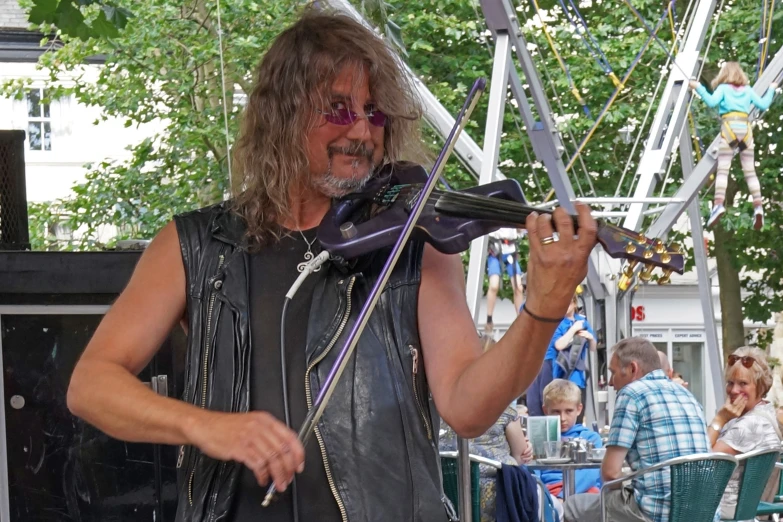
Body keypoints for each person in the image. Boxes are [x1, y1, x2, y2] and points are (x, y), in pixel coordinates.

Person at [65, 8, 598, 522]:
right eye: (339, 109)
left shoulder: (416, 241)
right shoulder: (197, 245)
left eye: (374, 113)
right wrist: (207, 426)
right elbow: (91, 385)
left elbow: (467, 407)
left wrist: (543, 308)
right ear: (283, 114)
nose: (363, 132)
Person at [564, 338, 711, 522]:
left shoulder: (631, 393)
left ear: (633, 369)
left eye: (613, 372)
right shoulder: (688, 396)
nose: (610, 382)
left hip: (655, 514)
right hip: (703, 512)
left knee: (573, 505)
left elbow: (610, 473)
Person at [440, 338, 534, 522]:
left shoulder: (441, 410)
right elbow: (520, 456)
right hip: (498, 502)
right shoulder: (503, 410)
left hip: (447, 499)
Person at [689, 62, 778, 230]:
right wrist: (772, 88)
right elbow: (764, 104)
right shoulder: (748, 90)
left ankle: (718, 204)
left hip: (729, 128)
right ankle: (758, 206)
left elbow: (711, 101)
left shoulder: (723, 89)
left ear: (724, 74)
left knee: (723, 170)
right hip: (746, 130)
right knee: (750, 172)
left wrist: (698, 86)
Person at [707, 347, 782, 521]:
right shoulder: (764, 412)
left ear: (761, 386)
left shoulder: (749, 425)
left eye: (743, 383)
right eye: (730, 382)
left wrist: (719, 420)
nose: (733, 390)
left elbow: (701, 465)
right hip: (744, 509)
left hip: (723, 508)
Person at [526, 294, 595, 417]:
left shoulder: (582, 321)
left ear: (574, 303)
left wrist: (590, 338)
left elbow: (593, 347)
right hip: (557, 370)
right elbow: (559, 344)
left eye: (567, 303)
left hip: (576, 372)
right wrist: (573, 329)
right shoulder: (558, 322)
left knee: (575, 406)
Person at [537, 379, 602, 501]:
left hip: (583, 490)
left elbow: (590, 475)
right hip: (548, 491)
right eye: (556, 411)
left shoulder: (591, 438)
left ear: (579, 409)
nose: (562, 418)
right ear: (546, 410)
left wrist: (563, 497)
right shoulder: (539, 438)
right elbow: (533, 473)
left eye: (569, 411)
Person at [485, 228, 525, 334]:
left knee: (518, 287)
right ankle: (489, 319)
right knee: (494, 285)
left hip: (510, 251)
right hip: (495, 249)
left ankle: (520, 317)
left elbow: (521, 230)